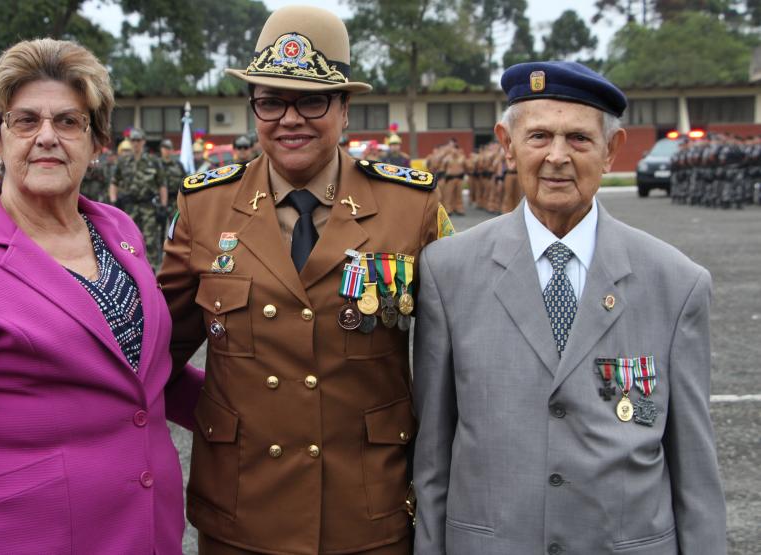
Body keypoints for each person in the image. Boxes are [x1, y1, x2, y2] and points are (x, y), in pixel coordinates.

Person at [0, 38, 202, 554]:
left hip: (147, 533)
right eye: (25, 120)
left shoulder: (119, 230)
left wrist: (274, 406)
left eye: (69, 122)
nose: (47, 137)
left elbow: (144, 374)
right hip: (30, 538)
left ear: (97, 142)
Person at [157, 5, 454, 554]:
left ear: (344, 108)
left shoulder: (408, 206)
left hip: (367, 512)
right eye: (270, 101)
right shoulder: (206, 206)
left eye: (311, 100)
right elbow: (155, 353)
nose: (288, 118)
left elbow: (460, 361)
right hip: (242, 509)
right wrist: (217, 415)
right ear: (253, 109)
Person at [412, 61, 727, 554]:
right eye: (539, 136)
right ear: (508, 143)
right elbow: (431, 458)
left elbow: (695, 471)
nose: (557, 156)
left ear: (611, 151)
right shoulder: (447, 273)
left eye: (578, 139)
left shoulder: (676, 283)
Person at [109, 127, 165, 264]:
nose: (135, 143)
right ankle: (131, 267)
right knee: (128, 239)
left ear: (143, 142)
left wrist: (163, 206)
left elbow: (162, 185)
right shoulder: (123, 162)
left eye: (138, 140)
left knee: (150, 241)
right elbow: (114, 182)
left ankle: (152, 271)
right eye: (133, 140)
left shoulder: (154, 161)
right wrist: (114, 201)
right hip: (129, 207)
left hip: (148, 207)